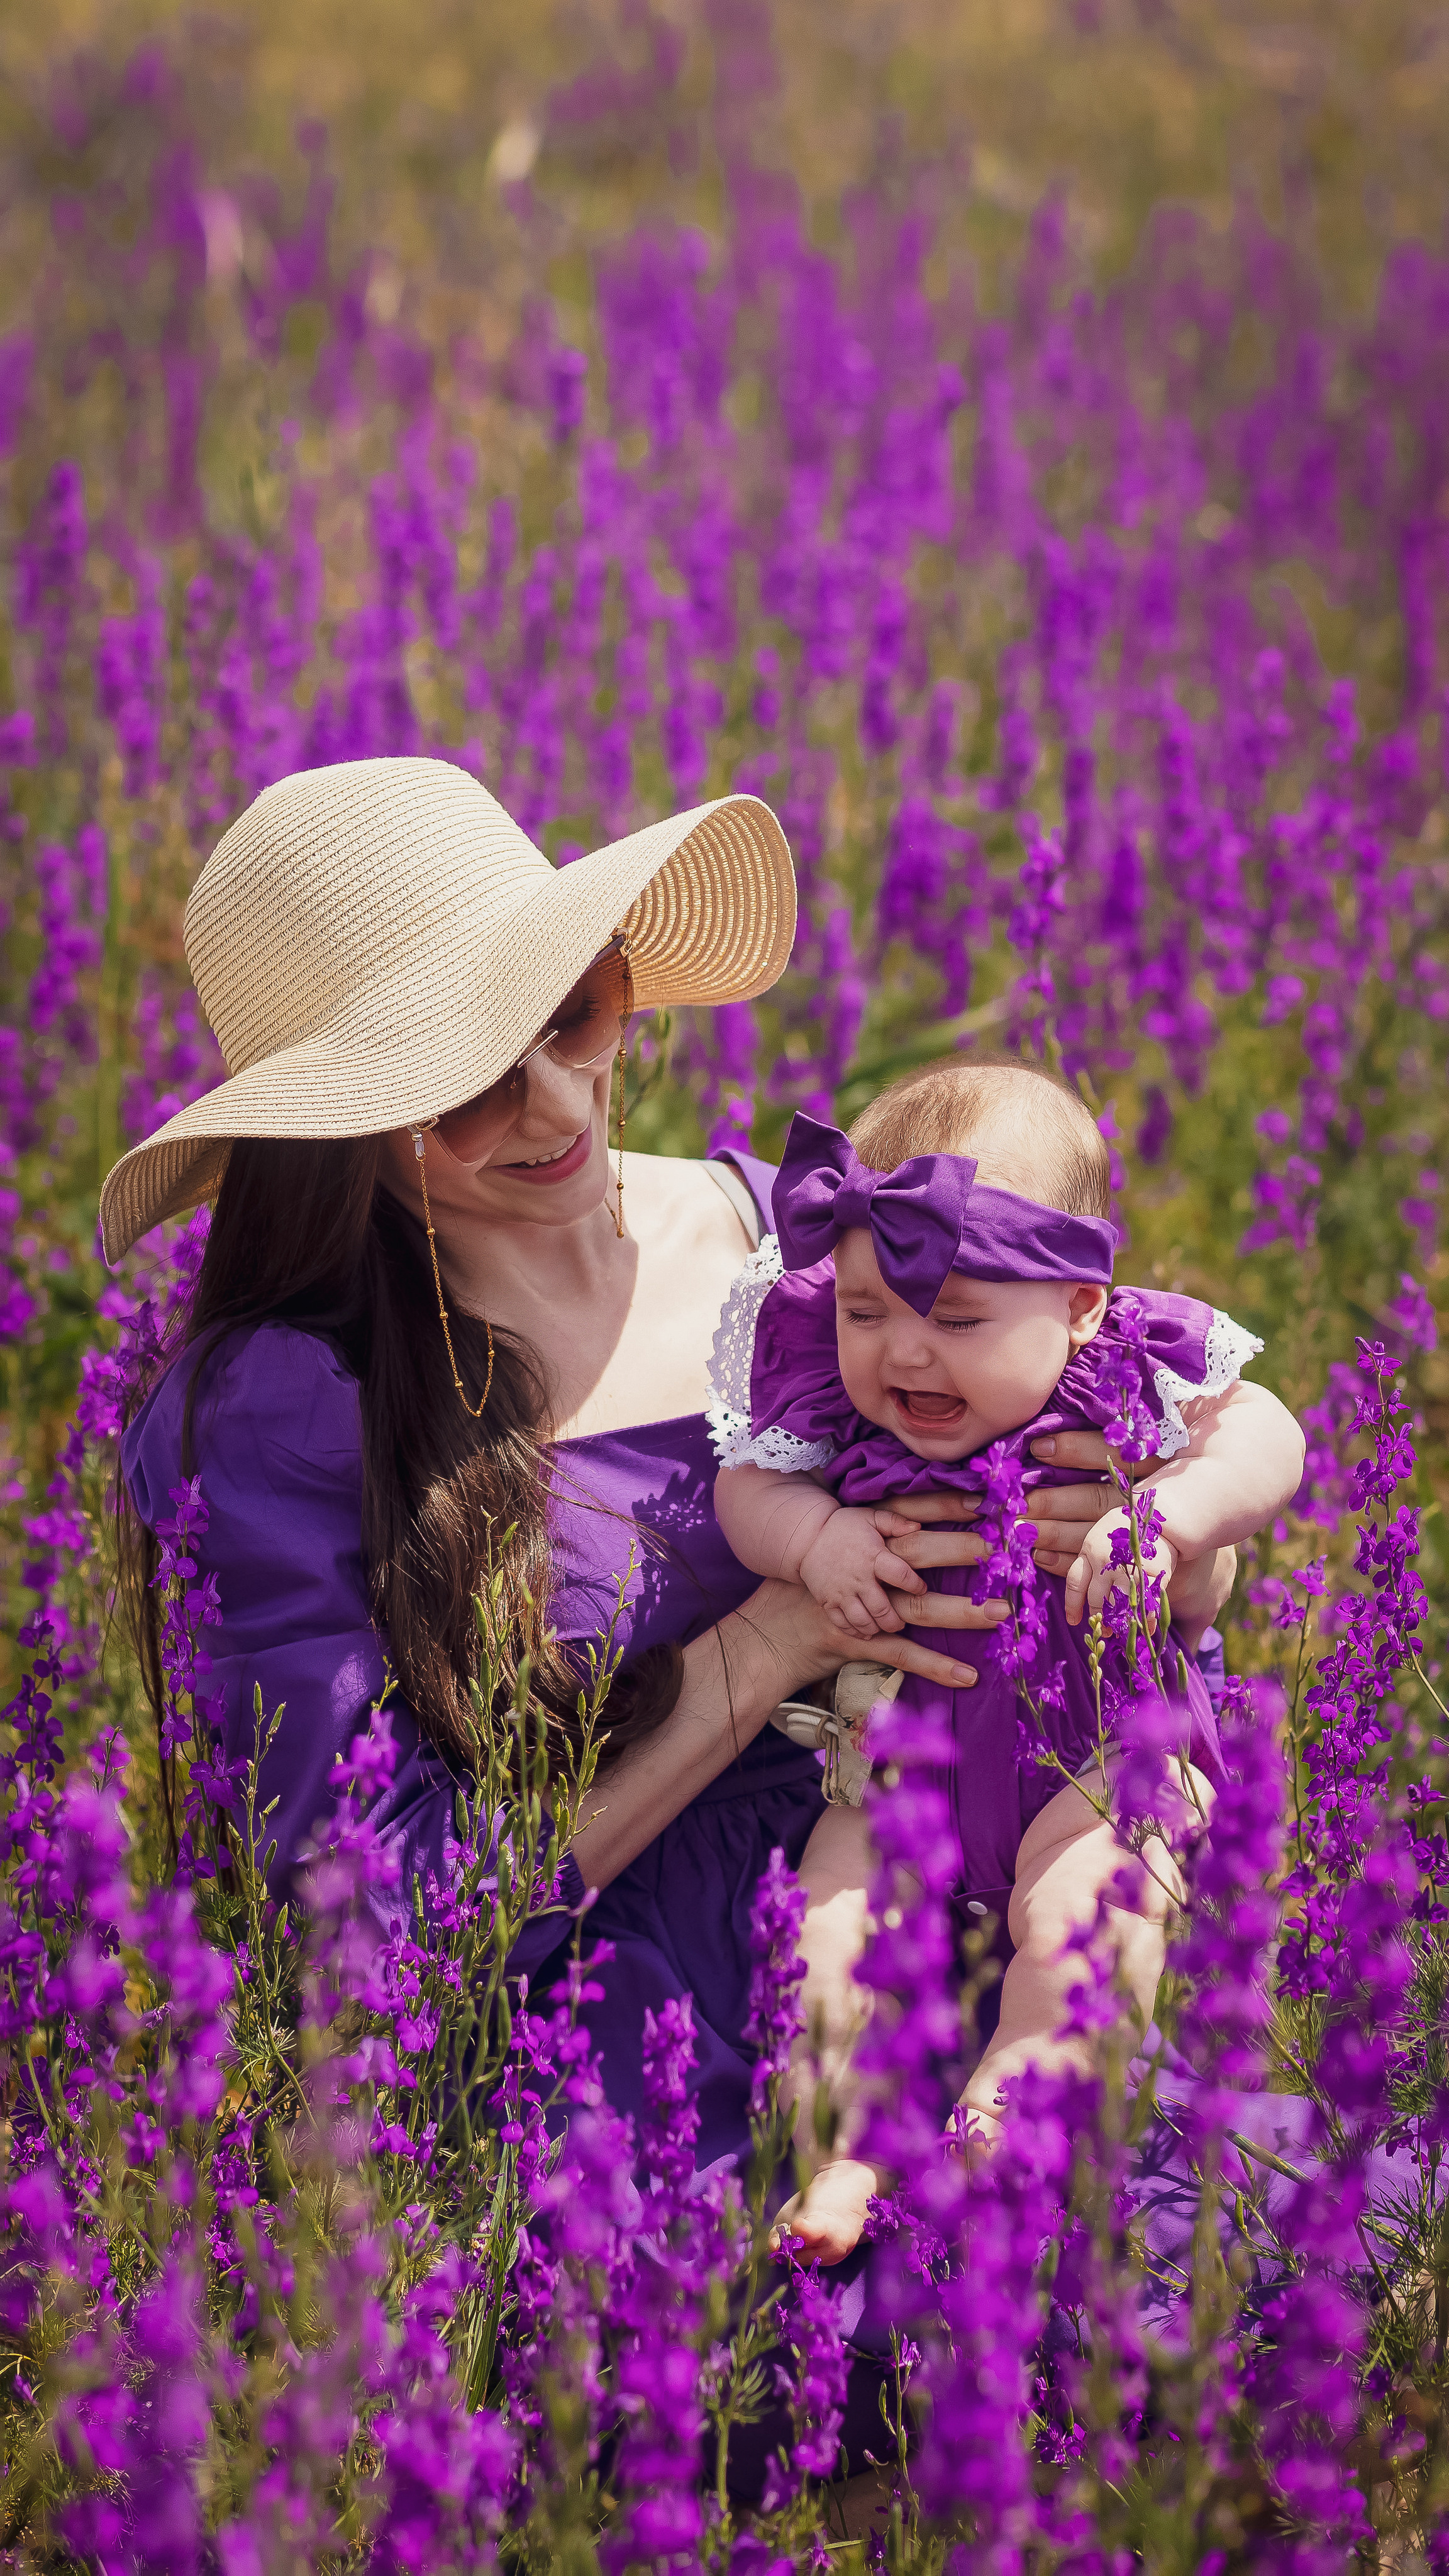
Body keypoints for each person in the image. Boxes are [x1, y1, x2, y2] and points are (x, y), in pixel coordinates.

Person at [107, 758, 1238, 2489]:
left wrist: (1142, 1550)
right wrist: (776, 1638)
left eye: (576, 1012)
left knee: (1186, 2285)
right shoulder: (284, 1404)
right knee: (852, 2360)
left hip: (960, 1888)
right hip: (624, 2037)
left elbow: (1140, 1435)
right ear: (328, 1121)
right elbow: (382, 1934)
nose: (551, 1100)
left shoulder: (786, 1253)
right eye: (458, 1086)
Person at [709, 1058, 1306, 2263]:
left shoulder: (1125, 1365)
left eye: (961, 1319)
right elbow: (744, 1485)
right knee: (826, 1944)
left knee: (1098, 1910)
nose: (908, 1356)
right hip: (892, 1776)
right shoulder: (828, 1391)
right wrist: (814, 1536)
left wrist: (1174, 1515)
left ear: (1082, 1304)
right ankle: (841, 2151)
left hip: (1089, 1765)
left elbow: (1268, 1432)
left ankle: (1017, 2097)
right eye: (869, 1310)